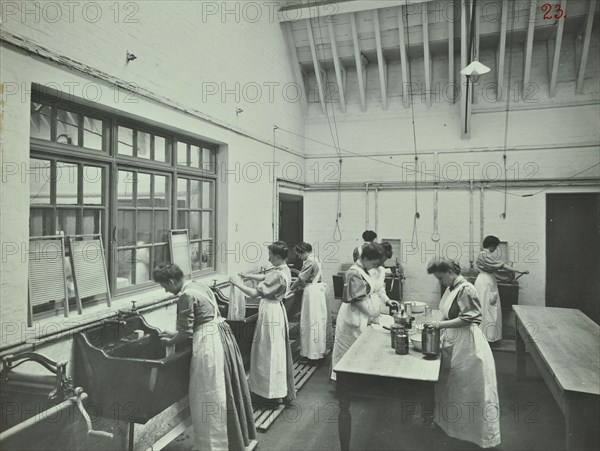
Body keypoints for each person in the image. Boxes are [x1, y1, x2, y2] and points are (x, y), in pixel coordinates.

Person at [153, 263, 255, 451]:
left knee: (208, 392)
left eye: (164, 286)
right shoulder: (198, 285)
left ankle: (214, 445)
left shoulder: (185, 295)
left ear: (171, 281)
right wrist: (175, 333)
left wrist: (170, 341)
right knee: (224, 388)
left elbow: (186, 333)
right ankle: (231, 438)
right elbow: (199, 318)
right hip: (221, 335)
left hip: (208, 343)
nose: (165, 291)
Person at [425, 258, 501, 449]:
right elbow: (447, 312)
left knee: (467, 389)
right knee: (452, 386)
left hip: (468, 345)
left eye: (441, 278)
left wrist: (439, 325)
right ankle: (453, 428)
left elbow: (471, 317)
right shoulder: (452, 288)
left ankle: (474, 435)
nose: (440, 282)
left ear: (450, 272)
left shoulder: (466, 289)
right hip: (454, 340)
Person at [229, 241, 296, 407]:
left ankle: (268, 394)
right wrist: (247, 276)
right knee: (273, 351)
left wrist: (237, 283)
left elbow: (255, 292)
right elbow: (265, 278)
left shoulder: (278, 275)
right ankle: (271, 390)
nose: (268, 258)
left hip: (270, 313)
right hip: (276, 311)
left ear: (278, 256)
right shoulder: (284, 270)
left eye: (271, 256)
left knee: (267, 351)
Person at [331, 243, 383, 381]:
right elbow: (356, 300)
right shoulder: (354, 273)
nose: (375, 267)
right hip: (352, 314)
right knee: (347, 348)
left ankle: (357, 378)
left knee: (358, 348)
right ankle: (343, 381)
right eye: (373, 263)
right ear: (365, 258)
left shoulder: (364, 269)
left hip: (360, 313)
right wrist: (372, 313)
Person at [475, 235, 529, 342]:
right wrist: (519, 271)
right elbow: (502, 265)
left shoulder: (483, 255)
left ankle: (483, 337)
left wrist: (503, 280)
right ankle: (485, 337)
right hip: (486, 284)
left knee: (488, 309)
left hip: (486, 281)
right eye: (495, 246)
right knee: (488, 310)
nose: (495, 248)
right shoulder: (485, 255)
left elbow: (491, 272)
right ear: (492, 245)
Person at [289, 242, 328, 362]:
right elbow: (306, 275)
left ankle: (311, 355)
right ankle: (317, 352)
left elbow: (301, 279)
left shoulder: (309, 261)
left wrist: (289, 290)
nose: (299, 258)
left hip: (312, 293)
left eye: (299, 255)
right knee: (316, 322)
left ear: (303, 252)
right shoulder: (315, 259)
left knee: (310, 322)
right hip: (318, 291)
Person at [368, 242, 399, 314]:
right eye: (381, 260)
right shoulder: (366, 269)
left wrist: (387, 300)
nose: (381, 263)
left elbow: (380, 290)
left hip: (375, 307)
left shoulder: (381, 270)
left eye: (384, 261)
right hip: (363, 308)